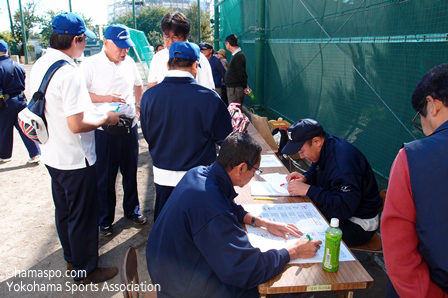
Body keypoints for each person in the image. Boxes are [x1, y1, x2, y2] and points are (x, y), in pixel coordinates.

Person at [146, 132, 322, 297]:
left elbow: (226, 204)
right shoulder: (212, 207)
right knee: (254, 287)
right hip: (181, 287)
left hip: (166, 265)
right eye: (255, 170)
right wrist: (294, 251)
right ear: (241, 168)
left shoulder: (199, 174)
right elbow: (246, 269)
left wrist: (262, 222)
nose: (254, 175)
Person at [30, 12, 120, 283]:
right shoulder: (69, 73)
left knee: (65, 210)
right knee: (82, 215)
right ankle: (85, 269)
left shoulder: (40, 64)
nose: (84, 45)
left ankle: (72, 257)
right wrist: (106, 117)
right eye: (84, 40)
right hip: (75, 158)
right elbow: (77, 124)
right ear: (77, 39)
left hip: (52, 153)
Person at [140, 41, 232, 221]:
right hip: (199, 178)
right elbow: (225, 139)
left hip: (162, 175)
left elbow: (148, 134)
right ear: (195, 65)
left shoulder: (149, 96)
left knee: (166, 229)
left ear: (168, 65)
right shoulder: (209, 98)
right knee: (198, 229)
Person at [382, 63, 448, 297]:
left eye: (419, 115)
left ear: (433, 104)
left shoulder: (412, 157)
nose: (422, 125)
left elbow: (399, 252)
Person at [81, 24, 146, 237]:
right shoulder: (90, 64)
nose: (124, 51)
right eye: (119, 47)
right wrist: (106, 99)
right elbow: (82, 94)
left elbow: (138, 85)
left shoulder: (129, 63)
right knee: (106, 177)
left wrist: (138, 105)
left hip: (129, 127)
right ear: (106, 43)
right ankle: (105, 219)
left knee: (130, 172)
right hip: (104, 129)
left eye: (126, 47)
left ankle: (132, 211)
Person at [282, 118, 382, 246]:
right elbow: (317, 170)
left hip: (358, 223)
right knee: (296, 223)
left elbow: (342, 209)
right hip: (344, 213)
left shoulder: (343, 165)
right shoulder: (325, 146)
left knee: (304, 238)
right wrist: (306, 178)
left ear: (316, 141)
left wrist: (308, 190)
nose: (301, 156)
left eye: (302, 151)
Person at [146, 12, 214, 90]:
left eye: (175, 37)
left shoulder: (199, 58)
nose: (170, 42)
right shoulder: (158, 57)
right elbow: (152, 86)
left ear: (186, 35)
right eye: (166, 37)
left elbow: (207, 90)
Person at [0, 39, 40, 163]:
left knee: (4, 129)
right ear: (6, 50)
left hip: (6, 102)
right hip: (21, 100)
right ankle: (35, 154)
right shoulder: (17, 65)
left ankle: (5, 155)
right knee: (24, 127)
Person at [225, 34, 250, 104]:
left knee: (235, 110)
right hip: (233, 88)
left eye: (226, 43)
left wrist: (244, 86)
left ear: (228, 44)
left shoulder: (238, 56)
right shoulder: (236, 55)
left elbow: (241, 73)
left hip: (235, 89)